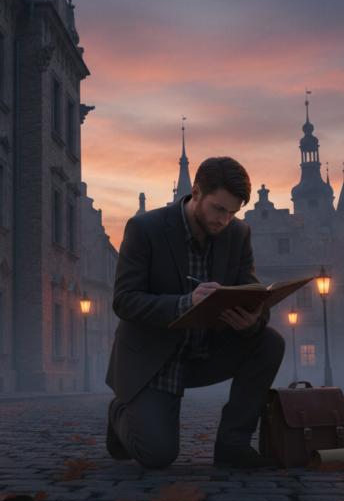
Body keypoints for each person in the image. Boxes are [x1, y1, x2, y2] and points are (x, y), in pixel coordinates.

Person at [105, 156, 284, 469]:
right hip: (155, 359)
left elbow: (253, 293)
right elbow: (123, 300)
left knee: (270, 341)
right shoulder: (145, 228)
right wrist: (183, 303)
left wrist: (254, 319)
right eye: (219, 209)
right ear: (197, 193)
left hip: (207, 351)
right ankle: (120, 410)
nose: (225, 220)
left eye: (233, 212)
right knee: (158, 456)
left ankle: (233, 446)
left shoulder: (238, 233)